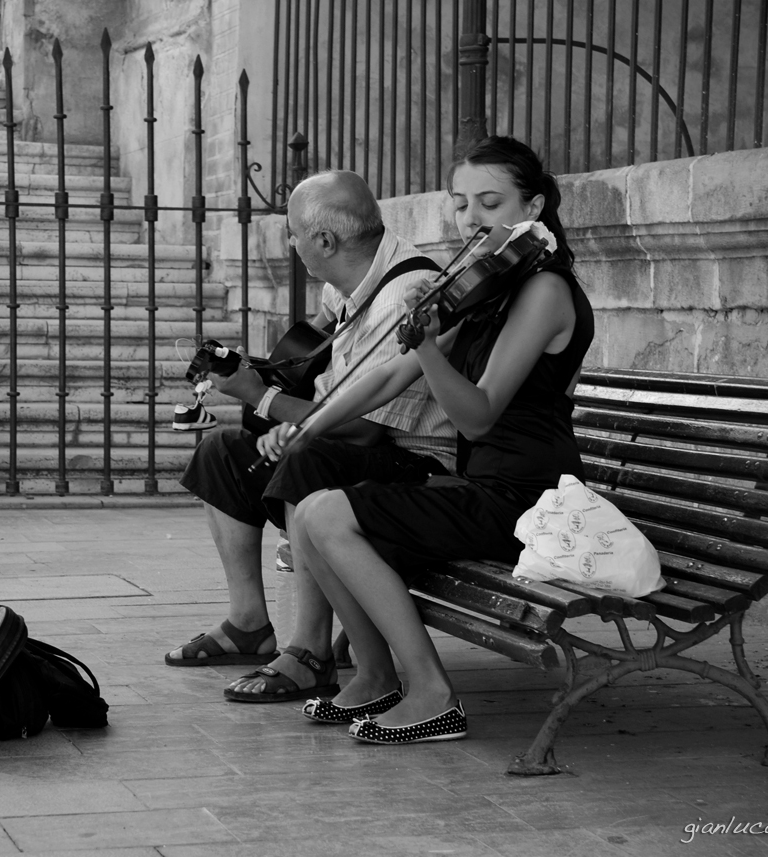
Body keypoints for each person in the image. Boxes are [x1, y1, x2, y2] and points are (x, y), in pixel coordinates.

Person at [249, 136, 594, 744]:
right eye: (462, 204)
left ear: (533, 207)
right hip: (482, 482)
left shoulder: (545, 291)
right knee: (307, 512)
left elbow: (479, 416)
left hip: (527, 496)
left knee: (328, 514)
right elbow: (388, 375)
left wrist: (429, 343)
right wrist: (307, 425)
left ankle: (433, 695)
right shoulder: (489, 284)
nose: (472, 220)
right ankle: (376, 676)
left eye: (490, 202)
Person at [166, 170, 455, 696]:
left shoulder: (404, 296)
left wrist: (261, 397)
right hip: (352, 446)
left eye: (294, 234)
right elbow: (318, 353)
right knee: (222, 452)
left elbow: (364, 431)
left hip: (416, 464)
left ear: (325, 241)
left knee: (308, 462)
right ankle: (249, 623)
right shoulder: (349, 278)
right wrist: (255, 372)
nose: (291, 244)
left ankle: (309, 650)